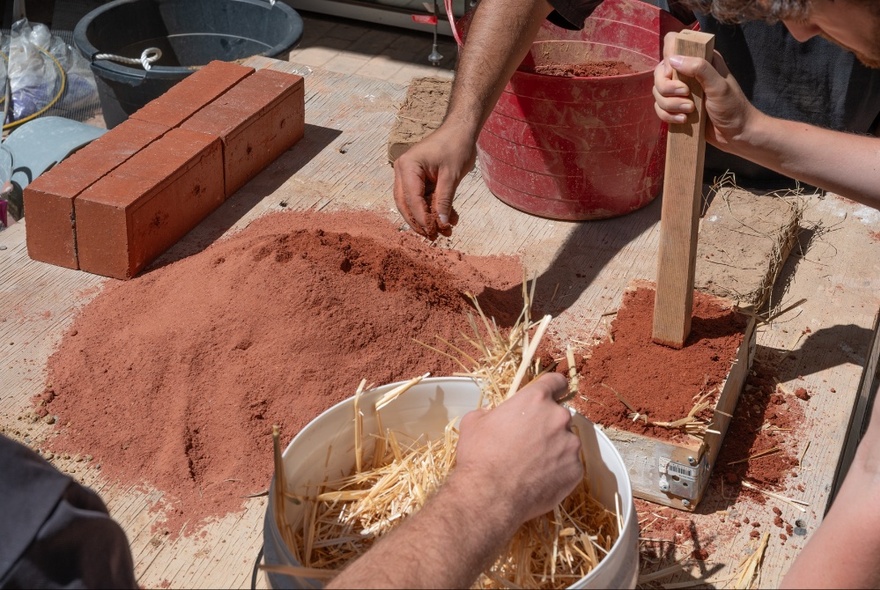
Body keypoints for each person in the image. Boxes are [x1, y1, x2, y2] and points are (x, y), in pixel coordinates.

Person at [392, 0, 880, 240]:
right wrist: (460, 125)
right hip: (702, 160)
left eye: (811, 6)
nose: (798, 31)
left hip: (844, 195)